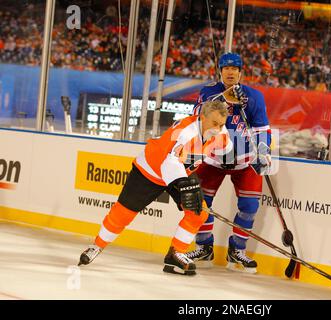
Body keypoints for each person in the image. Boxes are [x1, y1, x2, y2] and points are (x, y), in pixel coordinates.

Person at [78, 100, 231, 276]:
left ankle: (175, 255)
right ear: (202, 117)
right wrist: (185, 186)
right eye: (214, 123)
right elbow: (169, 163)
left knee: (198, 212)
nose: (218, 128)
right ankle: (97, 246)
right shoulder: (185, 132)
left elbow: (228, 148)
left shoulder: (220, 132)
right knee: (122, 214)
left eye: (221, 124)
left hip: (182, 171)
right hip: (150, 170)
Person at [187, 52, 272, 274]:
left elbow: (261, 128)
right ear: (221, 71)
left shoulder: (254, 96)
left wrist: (264, 152)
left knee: (249, 208)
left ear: (241, 72)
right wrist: (223, 98)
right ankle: (204, 246)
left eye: (235, 68)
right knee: (199, 203)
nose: (230, 71)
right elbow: (196, 115)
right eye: (226, 68)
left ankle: (237, 251)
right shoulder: (209, 92)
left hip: (244, 161)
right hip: (213, 159)